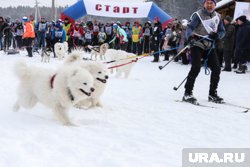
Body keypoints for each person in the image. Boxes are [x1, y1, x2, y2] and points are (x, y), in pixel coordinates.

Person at [183, 0, 225, 104]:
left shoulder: (218, 16)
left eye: (212, 3)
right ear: (204, 4)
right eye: (207, 3)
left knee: (216, 68)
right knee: (196, 67)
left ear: (215, 4)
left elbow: (222, 31)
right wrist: (189, 37)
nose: (209, 5)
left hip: (209, 45)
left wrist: (217, 36)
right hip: (197, 43)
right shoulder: (198, 15)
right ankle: (187, 93)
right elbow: (190, 27)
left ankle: (212, 94)